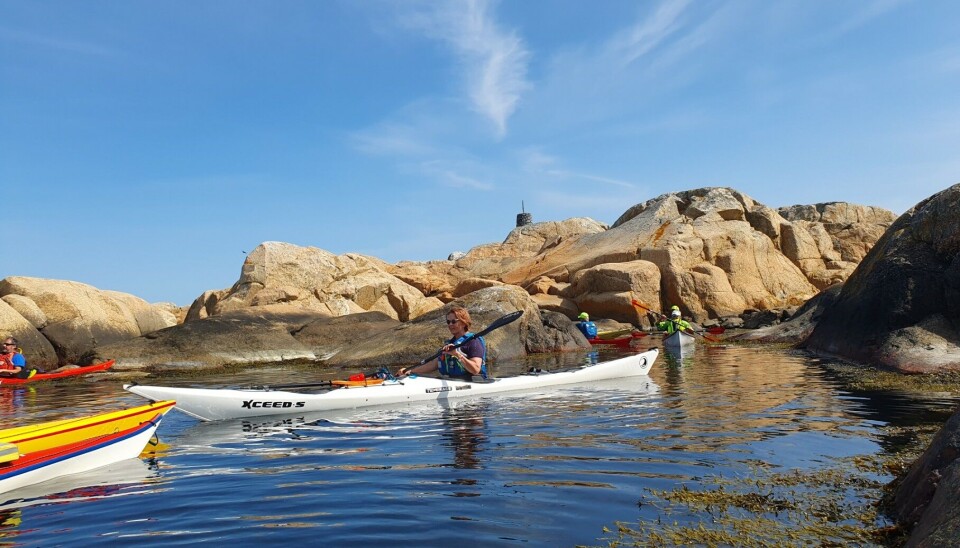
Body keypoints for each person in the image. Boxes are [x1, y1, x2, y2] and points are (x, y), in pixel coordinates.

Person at [398, 307, 487, 380]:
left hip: (473, 383)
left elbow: (475, 369)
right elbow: (434, 364)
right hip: (453, 382)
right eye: (448, 322)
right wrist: (410, 371)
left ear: (464, 323)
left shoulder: (473, 341)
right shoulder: (450, 343)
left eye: (453, 321)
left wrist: (457, 355)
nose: (450, 324)